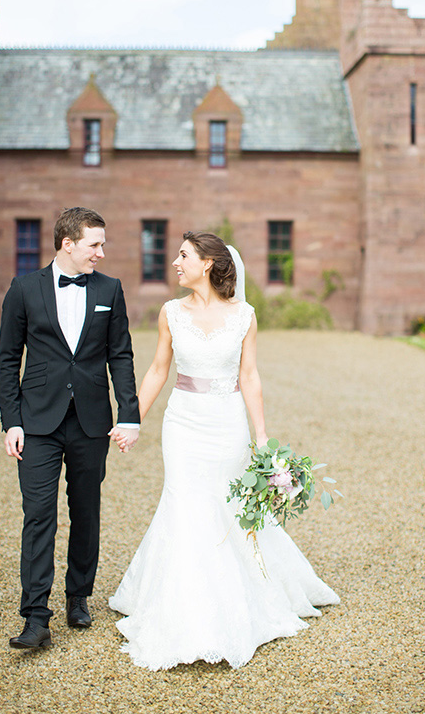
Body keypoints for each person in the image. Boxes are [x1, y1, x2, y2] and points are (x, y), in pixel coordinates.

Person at [109, 231, 339, 670]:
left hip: (227, 421)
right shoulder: (170, 312)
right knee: (184, 502)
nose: (175, 262)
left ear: (209, 264)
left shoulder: (245, 315)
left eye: (184, 256)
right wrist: (132, 419)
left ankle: (242, 599)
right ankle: (184, 607)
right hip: (184, 422)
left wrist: (262, 436)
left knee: (227, 504)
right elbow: (159, 368)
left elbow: (249, 376)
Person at [0, 207, 140, 650]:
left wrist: (129, 413)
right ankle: (35, 616)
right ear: (68, 244)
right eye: (94, 244)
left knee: (86, 511)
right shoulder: (24, 289)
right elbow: (7, 359)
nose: (101, 252)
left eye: (102, 244)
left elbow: (121, 355)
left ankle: (78, 596)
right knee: (39, 515)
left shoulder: (110, 290)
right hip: (37, 421)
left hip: (91, 420)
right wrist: (12, 421)